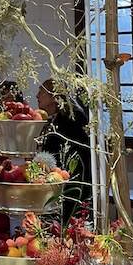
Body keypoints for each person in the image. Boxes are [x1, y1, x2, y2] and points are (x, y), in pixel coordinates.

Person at [36, 78, 92, 220]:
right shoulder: (55, 119)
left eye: (40, 92)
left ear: (54, 96)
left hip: (70, 187)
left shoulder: (71, 119)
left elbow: (71, 157)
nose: (37, 96)